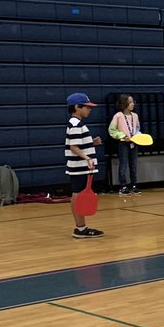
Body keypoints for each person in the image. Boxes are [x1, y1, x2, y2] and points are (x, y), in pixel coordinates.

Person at [65, 92, 103, 239]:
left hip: (79, 167)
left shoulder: (76, 124)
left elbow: (76, 144)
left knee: (78, 196)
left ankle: (81, 227)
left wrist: (91, 142)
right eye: (86, 107)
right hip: (79, 167)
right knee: (77, 196)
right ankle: (80, 228)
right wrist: (87, 158)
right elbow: (74, 147)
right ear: (77, 107)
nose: (89, 109)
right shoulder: (75, 124)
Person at [110, 93, 142, 195]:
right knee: (123, 164)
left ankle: (134, 185)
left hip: (134, 143)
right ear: (124, 104)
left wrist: (137, 136)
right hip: (123, 144)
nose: (133, 104)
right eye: (130, 102)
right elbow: (112, 130)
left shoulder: (135, 116)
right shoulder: (118, 116)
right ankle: (123, 186)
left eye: (133, 102)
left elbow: (137, 128)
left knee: (133, 165)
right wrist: (123, 136)